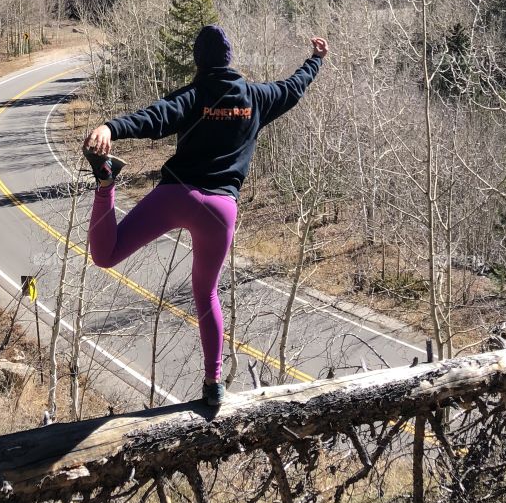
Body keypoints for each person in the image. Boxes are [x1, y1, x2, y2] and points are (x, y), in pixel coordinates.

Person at [83, 24, 329, 408]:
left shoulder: (194, 94)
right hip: (220, 210)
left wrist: (111, 127)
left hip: (176, 193)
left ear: (199, 62)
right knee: (206, 293)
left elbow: (155, 117)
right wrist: (315, 61)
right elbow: (293, 87)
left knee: (106, 255)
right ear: (230, 60)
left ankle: (106, 183)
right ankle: (213, 383)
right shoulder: (257, 97)